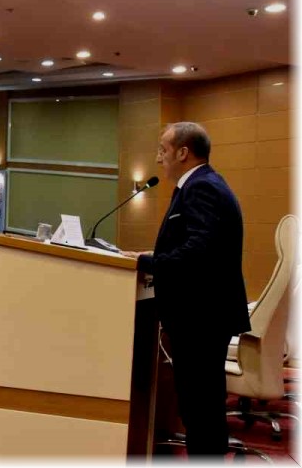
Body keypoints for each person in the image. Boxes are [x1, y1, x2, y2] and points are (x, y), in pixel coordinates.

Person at [122, 122, 249, 457]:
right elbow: (198, 245)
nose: (158, 157)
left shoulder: (202, 187)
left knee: (200, 407)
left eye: (162, 150)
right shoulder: (203, 184)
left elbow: (200, 251)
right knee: (201, 407)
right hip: (203, 314)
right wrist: (155, 256)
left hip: (201, 316)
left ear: (182, 152)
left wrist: (149, 261)